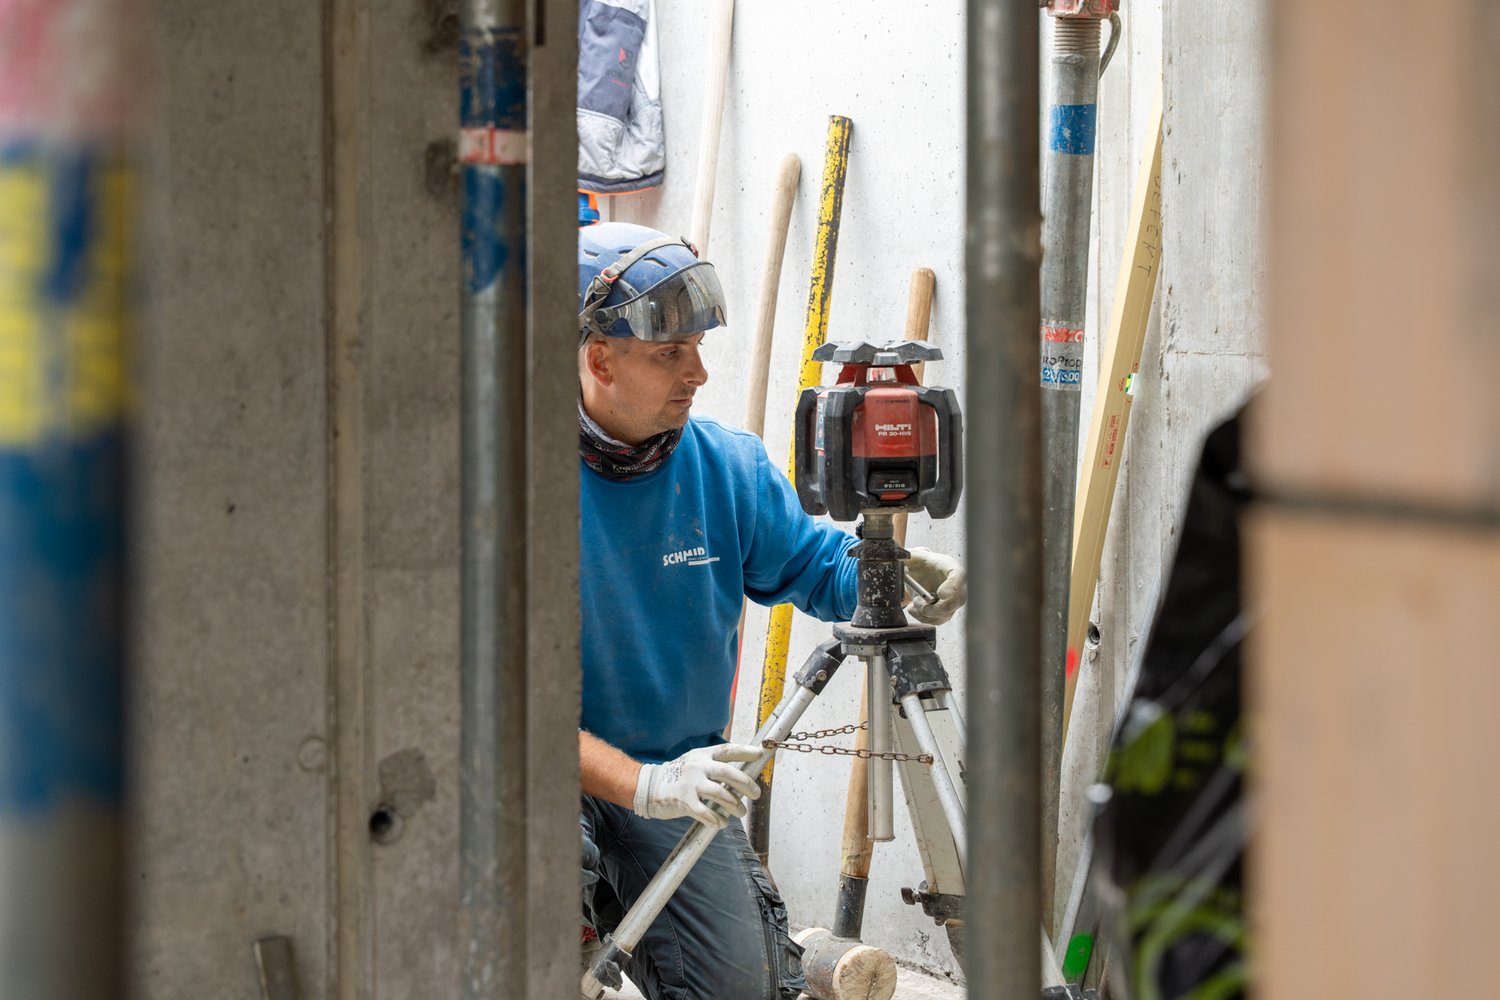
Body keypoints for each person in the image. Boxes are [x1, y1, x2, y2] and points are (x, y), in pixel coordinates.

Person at [575, 222, 966, 1000]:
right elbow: (486, 720)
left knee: (743, 989)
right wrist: (642, 787)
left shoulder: (725, 466)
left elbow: (807, 561)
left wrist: (879, 576)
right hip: (538, 781)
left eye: (698, 348)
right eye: (669, 354)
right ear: (598, 359)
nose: (699, 374)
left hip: (677, 775)